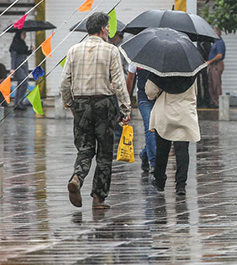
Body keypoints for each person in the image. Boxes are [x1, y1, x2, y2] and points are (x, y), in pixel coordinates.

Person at [60, 12, 131, 209]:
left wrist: (70, 104)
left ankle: (77, 177)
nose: (109, 31)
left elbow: (65, 82)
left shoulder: (74, 50)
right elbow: (118, 82)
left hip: (81, 104)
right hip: (104, 105)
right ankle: (99, 198)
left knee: (85, 148)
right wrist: (126, 108)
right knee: (104, 152)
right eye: (108, 27)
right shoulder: (111, 51)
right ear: (102, 29)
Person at [147, 74, 201, 196]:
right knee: (182, 150)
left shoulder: (159, 72)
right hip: (184, 114)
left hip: (164, 113)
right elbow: (195, 93)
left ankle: (160, 180)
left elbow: (150, 93)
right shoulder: (191, 73)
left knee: (162, 150)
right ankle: (181, 185)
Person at [126, 65, 155, 173]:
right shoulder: (138, 58)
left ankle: (145, 153)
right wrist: (126, 100)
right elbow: (130, 77)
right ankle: (154, 163)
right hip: (144, 98)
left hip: (160, 97)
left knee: (160, 130)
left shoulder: (163, 56)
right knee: (150, 128)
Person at [9, 30, 30, 110]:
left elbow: (24, 53)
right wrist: (12, 68)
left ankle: (18, 102)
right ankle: (18, 101)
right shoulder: (14, 45)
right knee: (24, 82)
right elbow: (13, 57)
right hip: (18, 66)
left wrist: (30, 50)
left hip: (24, 65)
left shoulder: (22, 44)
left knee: (20, 84)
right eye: (23, 34)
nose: (25, 36)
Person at [206, 27, 225, 108]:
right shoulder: (215, 42)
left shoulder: (220, 42)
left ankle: (217, 101)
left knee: (216, 83)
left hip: (216, 64)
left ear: (217, 33)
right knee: (211, 84)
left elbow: (219, 55)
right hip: (212, 65)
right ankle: (213, 101)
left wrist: (210, 61)